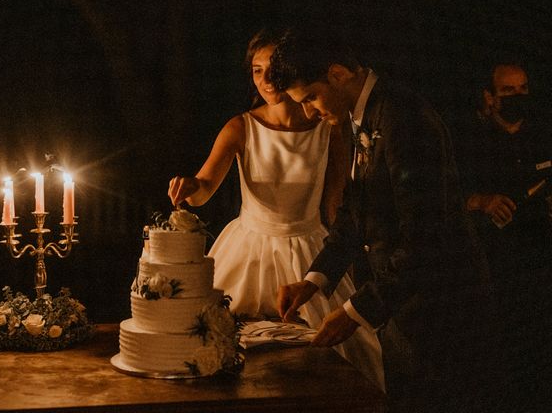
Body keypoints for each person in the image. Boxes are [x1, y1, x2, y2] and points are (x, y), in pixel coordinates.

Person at [271, 26, 493, 412]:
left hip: (441, 315)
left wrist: (355, 312)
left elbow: (425, 238)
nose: (309, 112)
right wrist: (313, 280)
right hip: (404, 309)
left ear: (338, 74)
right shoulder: (361, 118)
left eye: (311, 98)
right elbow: (355, 213)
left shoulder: (404, 118)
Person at [168, 28, 384, 390]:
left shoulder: (327, 126)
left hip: (307, 247)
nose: (266, 79)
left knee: (333, 360)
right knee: (216, 345)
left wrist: (347, 255)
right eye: (256, 70)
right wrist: (190, 187)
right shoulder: (240, 127)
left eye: (273, 68)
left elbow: (336, 202)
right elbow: (203, 189)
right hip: (247, 249)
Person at [452, 60, 552, 410]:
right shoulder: (466, 143)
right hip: (489, 270)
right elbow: (442, 200)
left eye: (523, 88)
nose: (517, 96)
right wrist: (481, 201)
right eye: (508, 90)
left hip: (538, 266)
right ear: (489, 97)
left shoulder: (542, 136)